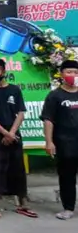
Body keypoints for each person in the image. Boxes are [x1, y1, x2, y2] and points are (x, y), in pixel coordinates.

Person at [0, 57, 37, 220]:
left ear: (4, 72)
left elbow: (21, 113)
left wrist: (12, 133)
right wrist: (5, 133)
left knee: (18, 171)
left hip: (15, 138)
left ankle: (23, 204)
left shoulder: (15, 90)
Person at [40, 59, 78, 220]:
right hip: (64, 143)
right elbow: (48, 120)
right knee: (67, 177)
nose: (73, 75)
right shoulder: (54, 96)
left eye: (76, 73)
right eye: (69, 72)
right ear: (62, 74)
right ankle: (68, 208)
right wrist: (49, 142)